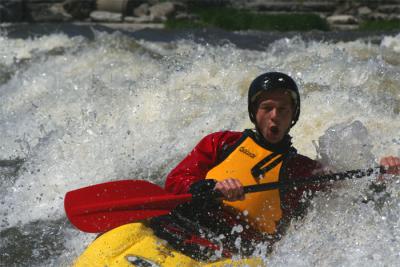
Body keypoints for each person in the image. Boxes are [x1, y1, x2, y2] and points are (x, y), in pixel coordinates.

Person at [156, 72, 400, 258]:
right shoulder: (221, 143)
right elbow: (175, 181)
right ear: (255, 112)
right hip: (189, 224)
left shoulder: (302, 171)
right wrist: (208, 186)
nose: (275, 115)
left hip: (236, 249)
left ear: (293, 116)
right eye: (267, 108)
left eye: (283, 109)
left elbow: (349, 187)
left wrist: (383, 172)